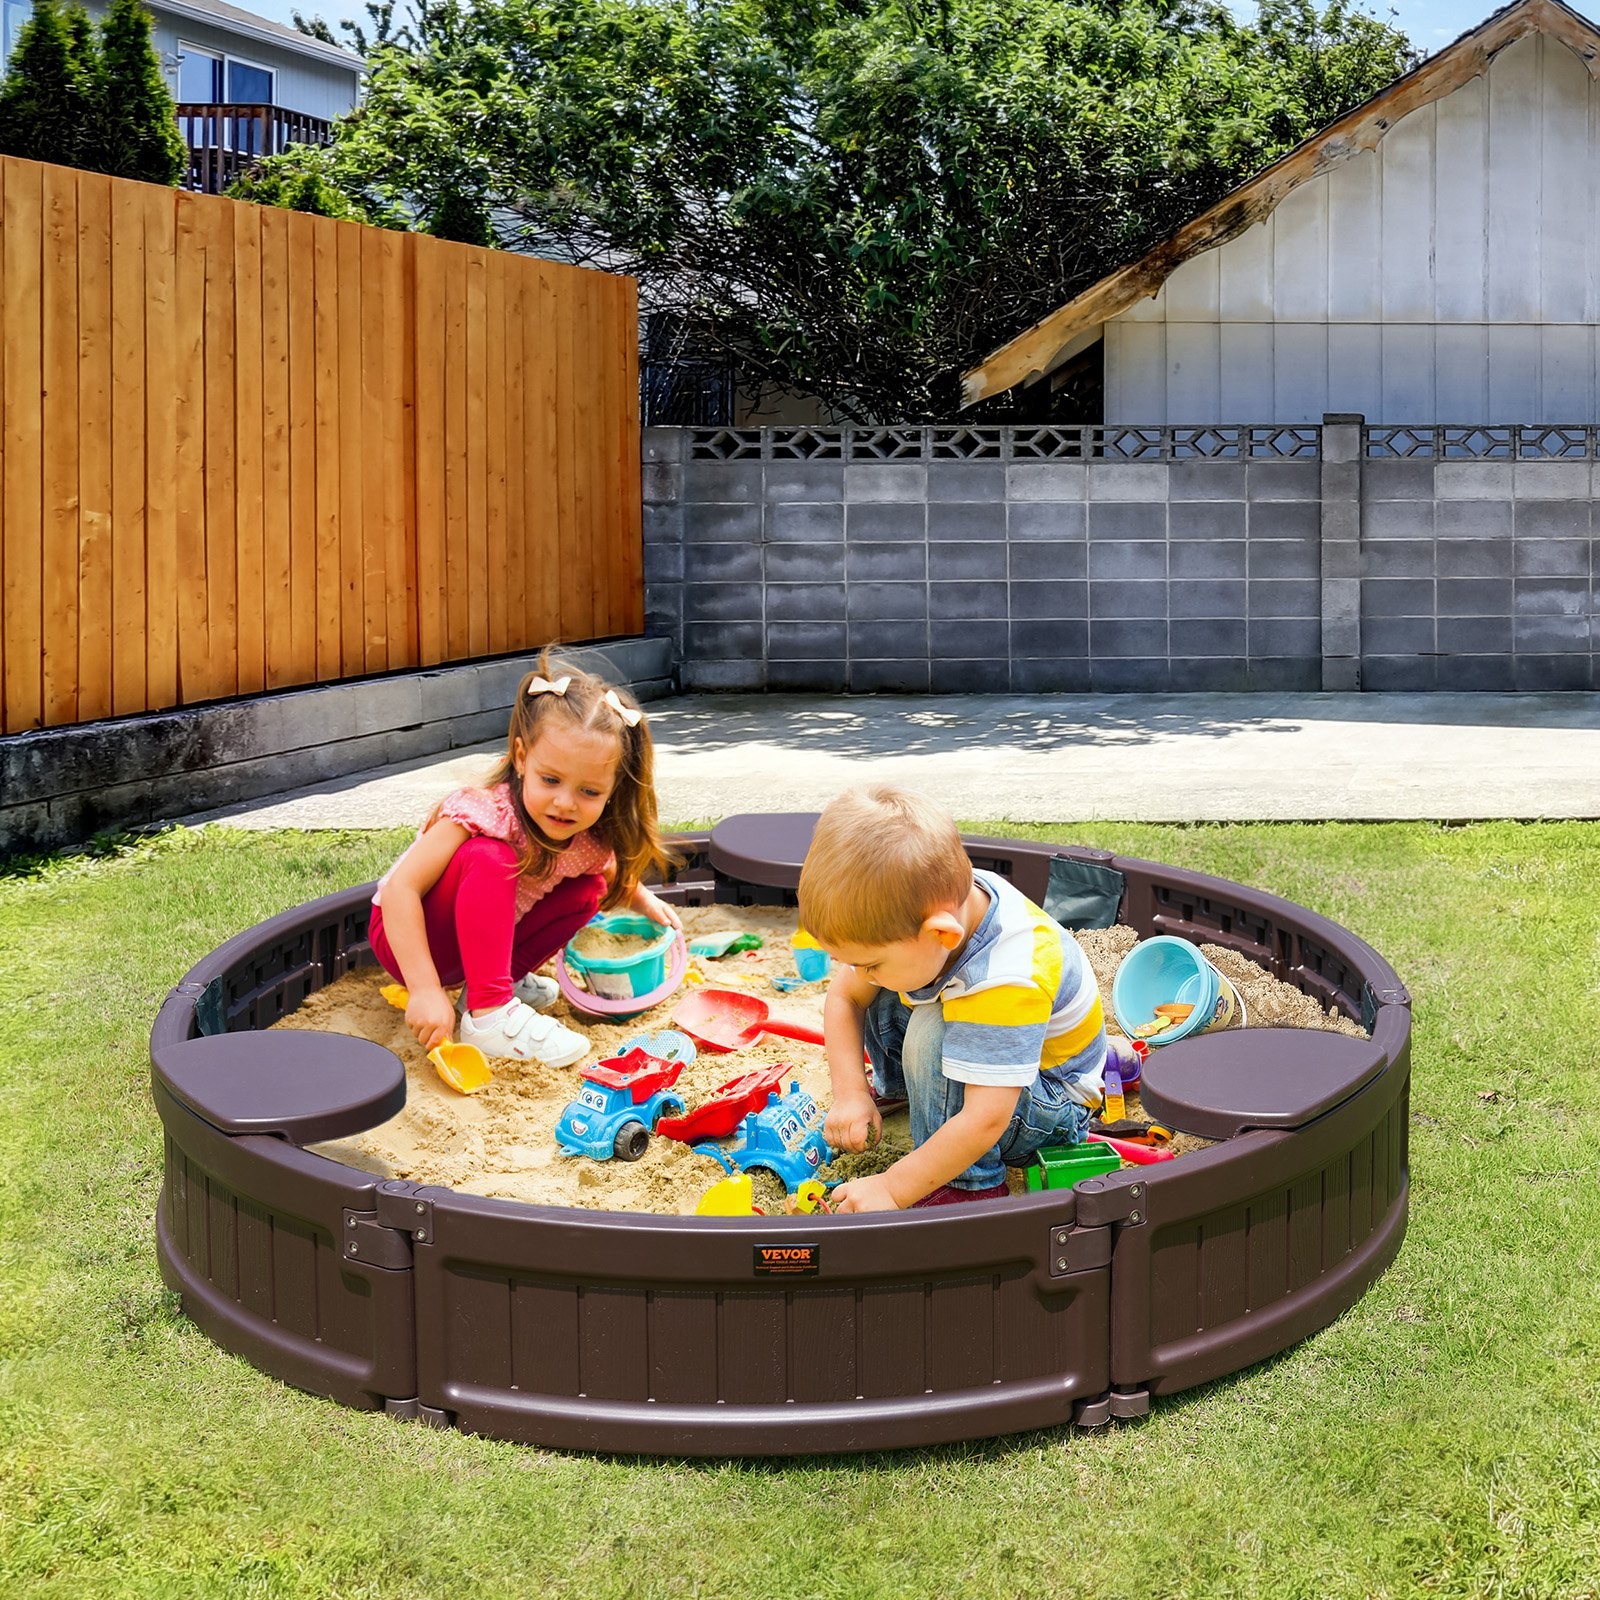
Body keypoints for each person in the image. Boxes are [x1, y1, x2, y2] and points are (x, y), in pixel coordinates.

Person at [797, 785, 1106, 1211]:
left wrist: (893, 1188)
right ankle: (908, 1092)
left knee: (932, 1029)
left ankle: (968, 1184)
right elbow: (845, 998)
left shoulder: (1006, 977)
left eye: (869, 962)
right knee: (883, 988)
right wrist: (851, 1094)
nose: (860, 973)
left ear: (941, 933)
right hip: (994, 1066)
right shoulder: (930, 906)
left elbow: (986, 1119)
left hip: (1048, 1104)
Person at [369, 656, 680, 1066]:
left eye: (589, 791)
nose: (565, 803)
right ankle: (490, 1013)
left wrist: (642, 900)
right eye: (550, 780)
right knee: (492, 855)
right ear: (520, 757)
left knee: (589, 890)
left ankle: (489, 989)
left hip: (472, 952)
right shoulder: (486, 811)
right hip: (414, 940)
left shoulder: (589, 840)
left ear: (613, 789)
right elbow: (400, 889)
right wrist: (425, 989)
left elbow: (608, 870)